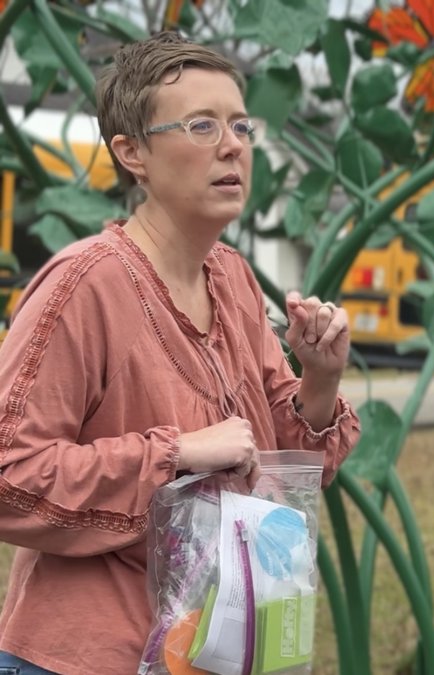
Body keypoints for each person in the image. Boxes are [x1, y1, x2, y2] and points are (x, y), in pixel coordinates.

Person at [0, 33, 360, 674]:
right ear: (131, 152)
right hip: (87, 657)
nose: (233, 146)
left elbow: (278, 469)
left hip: (215, 650)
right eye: (201, 125)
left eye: (240, 125)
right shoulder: (85, 285)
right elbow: (7, 474)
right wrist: (176, 455)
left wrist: (321, 381)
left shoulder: (233, 277)